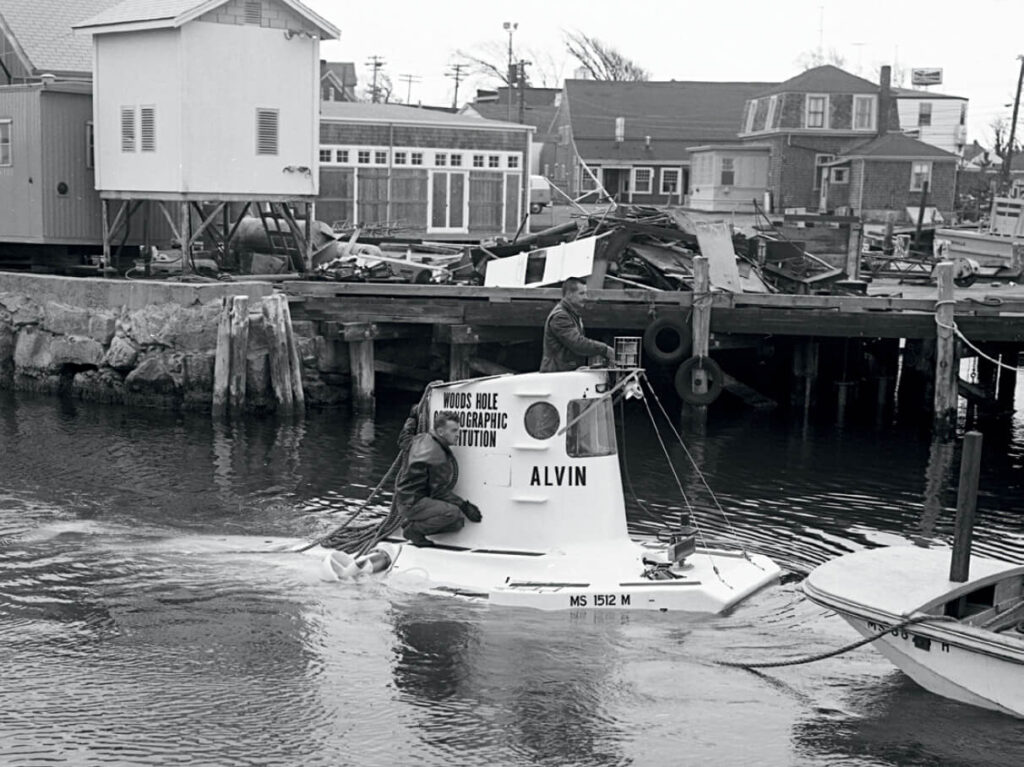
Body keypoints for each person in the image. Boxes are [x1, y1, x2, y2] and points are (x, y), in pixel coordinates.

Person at [395, 409, 482, 547]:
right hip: (413, 503)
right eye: (454, 431)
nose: (458, 435)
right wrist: (465, 506)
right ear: (441, 432)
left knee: (457, 524)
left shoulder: (420, 439)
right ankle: (414, 531)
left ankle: (412, 521)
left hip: (403, 499)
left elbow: (403, 439)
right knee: (453, 514)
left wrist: (412, 418)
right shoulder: (439, 457)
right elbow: (439, 492)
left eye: (458, 430)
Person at [540, 277, 616, 373]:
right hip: (557, 375)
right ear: (569, 294)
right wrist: (605, 350)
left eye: (586, 293)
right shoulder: (560, 317)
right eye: (581, 293)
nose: (586, 297)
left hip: (562, 373)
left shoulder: (570, 314)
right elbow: (578, 344)